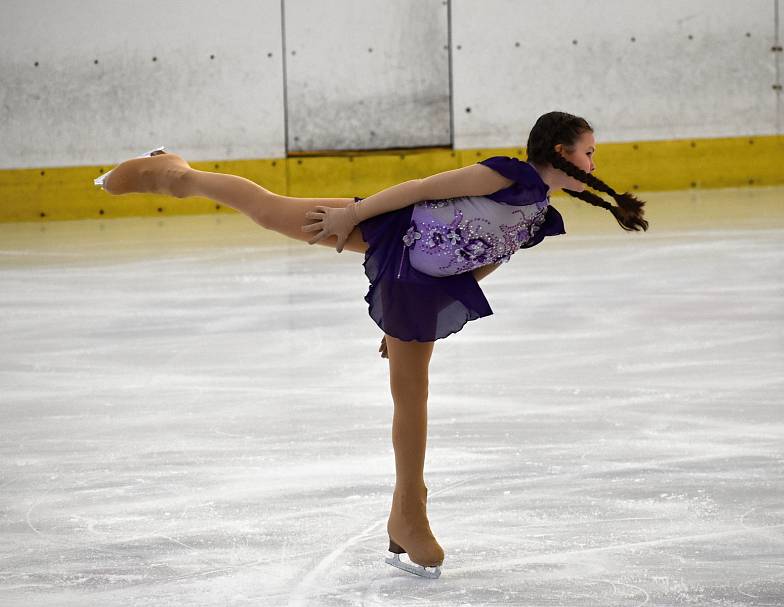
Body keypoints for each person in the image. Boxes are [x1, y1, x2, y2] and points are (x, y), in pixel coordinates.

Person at [95, 110, 648, 578]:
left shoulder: (535, 216)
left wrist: (426, 309)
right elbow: (421, 190)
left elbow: (484, 258)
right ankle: (173, 173)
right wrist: (351, 214)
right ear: (561, 151)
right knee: (268, 210)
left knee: (413, 394)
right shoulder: (505, 175)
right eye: (590, 153)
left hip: (421, 283)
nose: (595, 166)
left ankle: (407, 517)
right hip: (385, 227)